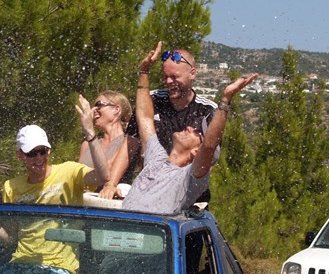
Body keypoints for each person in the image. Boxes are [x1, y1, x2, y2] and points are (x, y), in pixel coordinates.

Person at [0, 94, 110, 274]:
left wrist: (90, 133)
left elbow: (104, 176)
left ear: (49, 151)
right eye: (31, 153)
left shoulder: (69, 172)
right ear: (20, 155)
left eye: (42, 151)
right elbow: (10, 238)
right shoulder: (11, 186)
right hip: (19, 264)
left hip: (59, 268)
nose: (38, 158)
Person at [121, 41, 257, 214]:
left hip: (162, 226)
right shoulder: (156, 158)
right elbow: (145, 117)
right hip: (127, 226)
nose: (192, 128)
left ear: (196, 152)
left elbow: (209, 146)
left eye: (198, 133)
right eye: (165, 77)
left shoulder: (189, 178)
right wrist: (144, 71)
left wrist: (225, 101)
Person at [98, 43, 222, 201]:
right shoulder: (151, 100)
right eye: (165, 77)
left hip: (189, 194)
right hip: (152, 188)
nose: (169, 82)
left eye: (175, 77)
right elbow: (130, 144)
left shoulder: (208, 111)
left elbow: (208, 160)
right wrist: (111, 184)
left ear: (192, 73)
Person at [78, 90, 135, 189]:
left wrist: (89, 129)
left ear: (116, 109)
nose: (94, 110)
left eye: (99, 105)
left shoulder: (129, 142)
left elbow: (105, 172)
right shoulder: (86, 144)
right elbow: (77, 176)